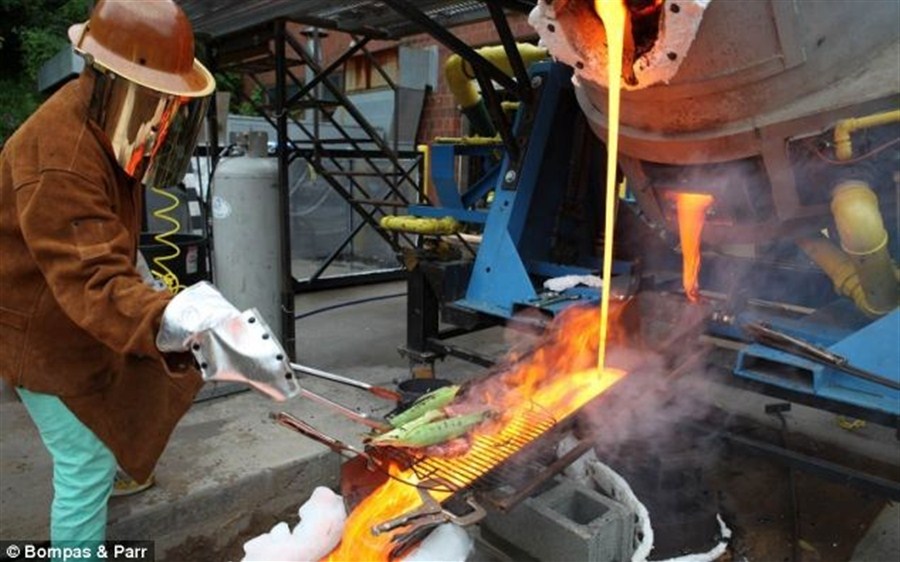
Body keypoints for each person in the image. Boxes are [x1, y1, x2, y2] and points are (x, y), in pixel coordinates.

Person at [0, 0, 237, 553]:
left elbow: (104, 243)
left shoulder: (103, 123)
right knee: (81, 463)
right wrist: (172, 312)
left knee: (133, 383)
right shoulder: (58, 154)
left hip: (69, 312)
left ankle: (117, 461)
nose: (161, 119)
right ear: (117, 80)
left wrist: (150, 288)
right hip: (36, 327)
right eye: (156, 100)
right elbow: (92, 280)